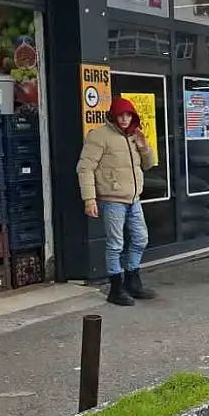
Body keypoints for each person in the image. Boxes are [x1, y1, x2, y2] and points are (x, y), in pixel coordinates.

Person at [76, 96, 157, 306]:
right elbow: (85, 168)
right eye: (120, 115)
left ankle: (133, 279)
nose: (124, 119)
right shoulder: (99, 135)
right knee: (115, 244)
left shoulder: (133, 136)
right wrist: (89, 199)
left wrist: (143, 145)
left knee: (140, 239)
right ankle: (115, 288)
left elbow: (149, 164)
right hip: (112, 199)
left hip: (133, 198)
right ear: (113, 115)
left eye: (128, 115)